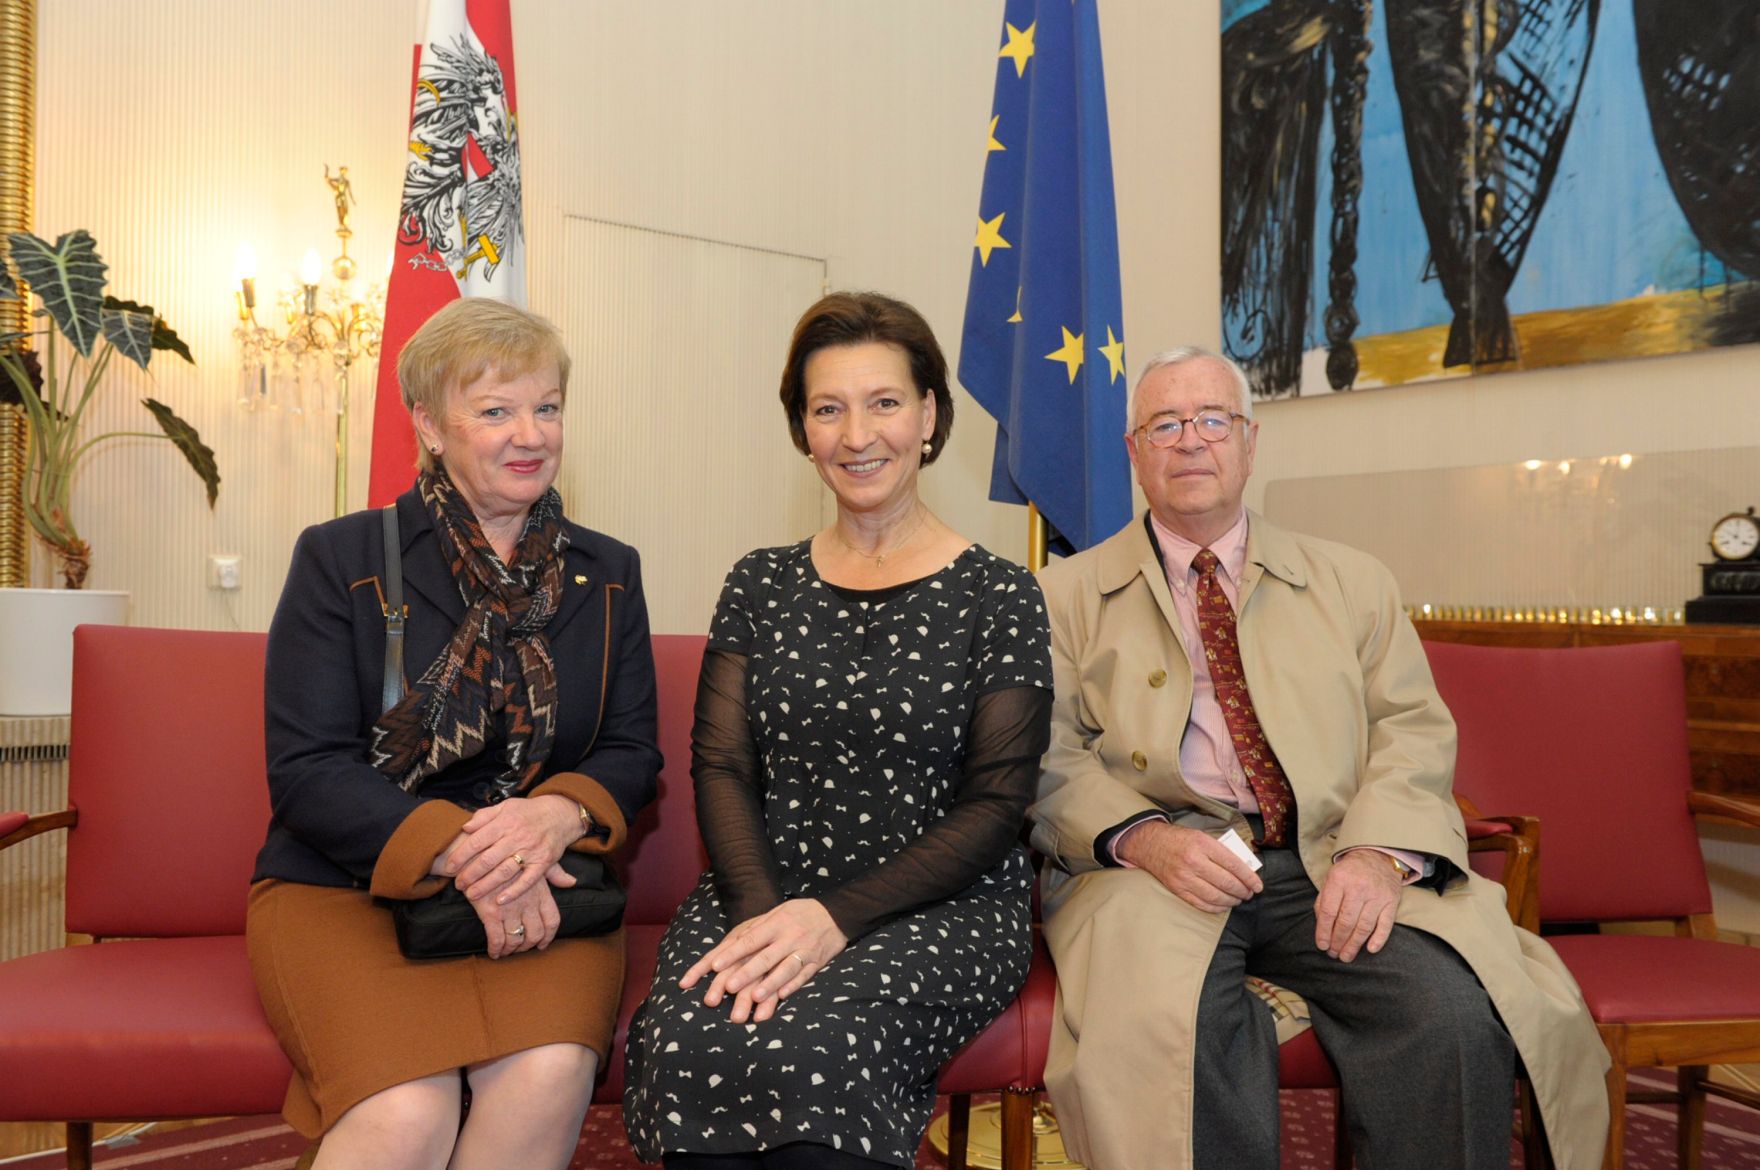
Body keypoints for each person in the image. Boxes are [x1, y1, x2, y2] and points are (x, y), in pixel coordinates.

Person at [1029, 347, 1611, 1170]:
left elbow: (1410, 730)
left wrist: (1377, 854)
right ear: (1134, 450)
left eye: (1212, 420)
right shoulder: (1061, 598)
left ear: (1250, 441)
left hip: (1328, 855)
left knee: (1445, 1014)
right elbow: (1045, 754)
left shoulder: (1354, 582)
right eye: (1164, 424)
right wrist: (1147, 840)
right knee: (1173, 1032)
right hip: (1155, 867)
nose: (1190, 441)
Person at [622, 291, 1053, 1169]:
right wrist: (762, 919)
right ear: (803, 429)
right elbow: (722, 766)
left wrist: (832, 921)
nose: (858, 435)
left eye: (884, 403)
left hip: (941, 906)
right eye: (829, 409)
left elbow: (998, 804)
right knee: (685, 1043)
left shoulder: (1001, 593)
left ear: (929, 416)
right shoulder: (759, 582)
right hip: (764, 887)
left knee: (816, 1054)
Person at [246, 297, 661, 1170]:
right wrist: (471, 850)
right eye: (496, 410)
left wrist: (551, 820)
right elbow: (307, 769)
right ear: (429, 424)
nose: (531, 434)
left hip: (551, 889)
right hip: (350, 890)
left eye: (546, 407)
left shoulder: (607, 572)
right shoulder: (341, 557)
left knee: (549, 1074)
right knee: (403, 1114)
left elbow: (630, 750)